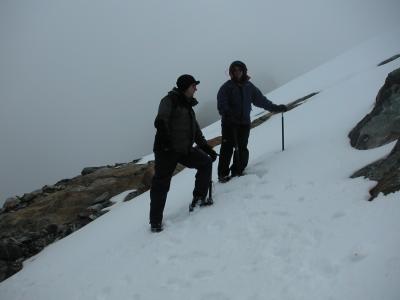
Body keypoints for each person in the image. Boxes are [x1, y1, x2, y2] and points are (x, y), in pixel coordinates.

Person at [149, 74, 218, 232]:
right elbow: (161, 120)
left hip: (184, 149)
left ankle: (199, 198)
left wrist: (206, 148)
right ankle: (155, 222)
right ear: (186, 87)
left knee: (206, 162)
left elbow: (195, 131)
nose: (196, 89)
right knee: (161, 184)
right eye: (194, 86)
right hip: (166, 151)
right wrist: (165, 140)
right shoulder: (169, 101)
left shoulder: (188, 107)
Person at [217, 60, 287, 183]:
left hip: (244, 123)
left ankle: (238, 171)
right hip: (229, 124)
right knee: (227, 148)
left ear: (244, 71)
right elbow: (222, 105)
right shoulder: (226, 88)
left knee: (242, 147)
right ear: (231, 72)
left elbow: (261, 100)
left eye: (239, 70)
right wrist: (228, 115)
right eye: (234, 70)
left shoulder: (249, 87)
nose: (237, 72)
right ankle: (223, 175)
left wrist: (275, 108)